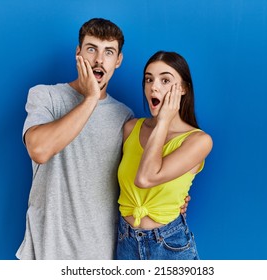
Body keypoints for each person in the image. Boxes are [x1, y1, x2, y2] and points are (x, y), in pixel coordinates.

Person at [16, 18, 134, 260]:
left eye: (108, 52)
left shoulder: (124, 117)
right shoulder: (45, 96)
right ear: (78, 52)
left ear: (118, 60)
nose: (99, 60)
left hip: (100, 255)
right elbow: (39, 150)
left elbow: (135, 179)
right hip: (45, 252)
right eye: (91, 49)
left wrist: (175, 197)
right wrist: (91, 98)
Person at [116, 51, 213, 260]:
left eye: (165, 80)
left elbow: (146, 178)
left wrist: (163, 121)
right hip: (125, 241)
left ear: (184, 88)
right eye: (149, 79)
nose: (154, 86)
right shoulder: (131, 128)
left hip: (169, 245)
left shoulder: (198, 141)